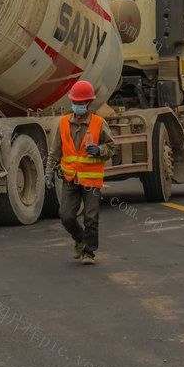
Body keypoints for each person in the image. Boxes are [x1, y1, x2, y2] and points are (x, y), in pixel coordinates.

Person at [45, 80, 115, 265]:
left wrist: (100, 151)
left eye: (81, 103)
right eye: (75, 102)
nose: (77, 106)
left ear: (88, 104)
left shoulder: (99, 123)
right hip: (70, 179)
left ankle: (89, 252)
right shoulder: (63, 123)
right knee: (66, 216)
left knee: (91, 217)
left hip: (91, 180)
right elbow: (54, 152)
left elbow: (112, 147)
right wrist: (48, 173)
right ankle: (79, 239)